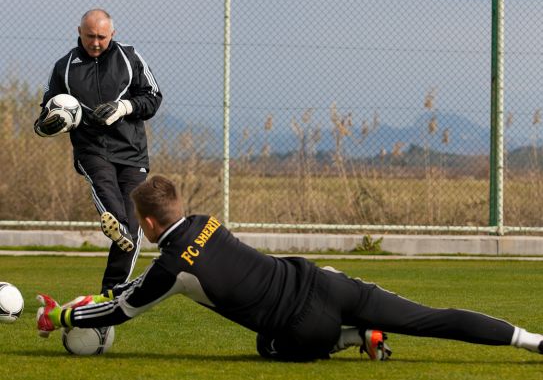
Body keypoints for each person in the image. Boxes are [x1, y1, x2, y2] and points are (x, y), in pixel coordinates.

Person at [36, 175, 543, 361]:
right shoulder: (207, 221)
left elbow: (125, 309)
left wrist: (61, 317)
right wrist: (114, 292)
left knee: (266, 347)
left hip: (304, 326)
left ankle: (352, 339)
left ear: (146, 223)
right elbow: (146, 280)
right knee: (432, 317)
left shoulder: (170, 269)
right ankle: (533, 341)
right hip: (327, 281)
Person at [33, 8, 162, 294]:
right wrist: (52, 123)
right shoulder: (64, 66)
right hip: (91, 150)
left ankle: (111, 294)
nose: (95, 42)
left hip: (132, 153)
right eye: (90, 36)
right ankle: (116, 226)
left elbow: (153, 98)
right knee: (110, 200)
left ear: (112, 34)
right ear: (79, 32)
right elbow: (44, 116)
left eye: (102, 37)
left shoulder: (130, 58)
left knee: (132, 224)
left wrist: (124, 107)